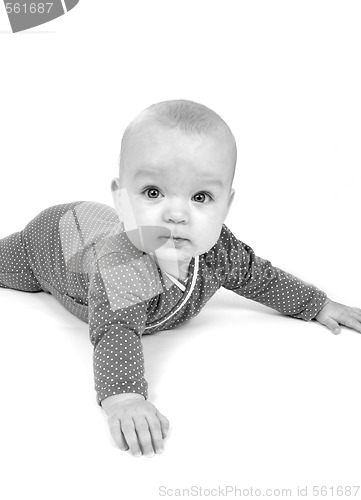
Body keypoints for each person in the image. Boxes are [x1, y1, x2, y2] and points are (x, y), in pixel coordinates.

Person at [1, 100, 360, 458]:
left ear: (227, 204)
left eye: (200, 197)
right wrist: (124, 398)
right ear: (121, 197)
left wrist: (318, 304)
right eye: (153, 193)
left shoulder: (219, 251)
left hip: (88, 223)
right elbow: (116, 331)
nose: (176, 214)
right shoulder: (121, 264)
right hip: (53, 241)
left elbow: (259, 277)